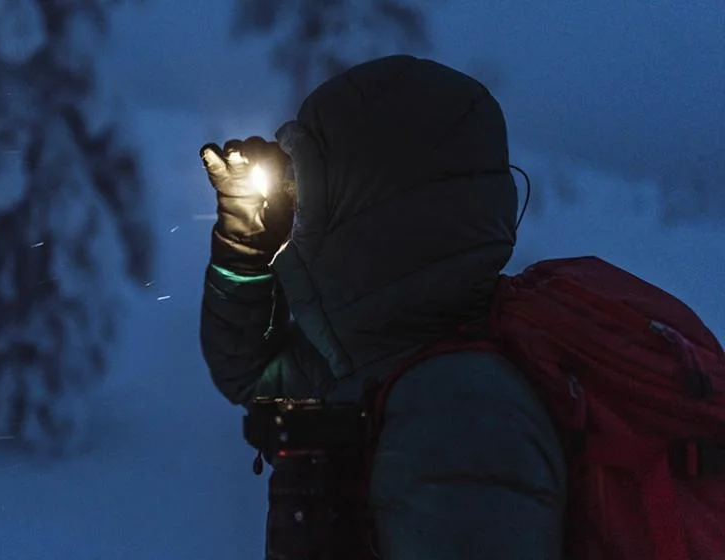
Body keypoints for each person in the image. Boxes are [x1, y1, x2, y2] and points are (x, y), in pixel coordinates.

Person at [199, 55, 566, 559]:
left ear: (371, 201)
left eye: (311, 181)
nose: (296, 199)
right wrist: (246, 244)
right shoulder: (378, 350)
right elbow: (250, 377)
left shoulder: (459, 413)